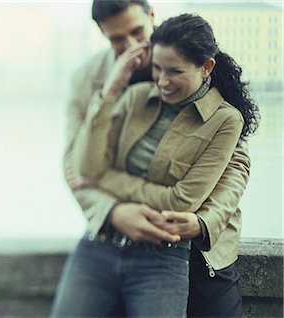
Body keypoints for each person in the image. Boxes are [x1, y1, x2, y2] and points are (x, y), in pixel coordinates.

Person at [51, 7, 259, 318]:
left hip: (190, 241)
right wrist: (114, 212)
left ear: (151, 16)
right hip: (112, 236)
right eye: (117, 38)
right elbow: (77, 165)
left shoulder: (187, 53)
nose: (133, 45)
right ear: (103, 34)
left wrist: (204, 221)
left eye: (137, 31)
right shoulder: (91, 80)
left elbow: (235, 166)